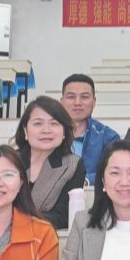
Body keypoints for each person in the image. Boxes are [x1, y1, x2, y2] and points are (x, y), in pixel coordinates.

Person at [14, 96, 85, 229]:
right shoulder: (9, 161)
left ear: (64, 132)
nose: (46, 130)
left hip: (42, 235)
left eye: (54, 123)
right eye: (38, 124)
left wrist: (21, 221)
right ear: (25, 131)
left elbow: (63, 216)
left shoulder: (72, 165)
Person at [59, 73, 121, 184]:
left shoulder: (108, 137)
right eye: (71, 97)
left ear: (94, 101)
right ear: (62, 101)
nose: (77, 103)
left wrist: (84, 180)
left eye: (84, 97)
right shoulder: (49, 134)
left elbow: (114, 171)